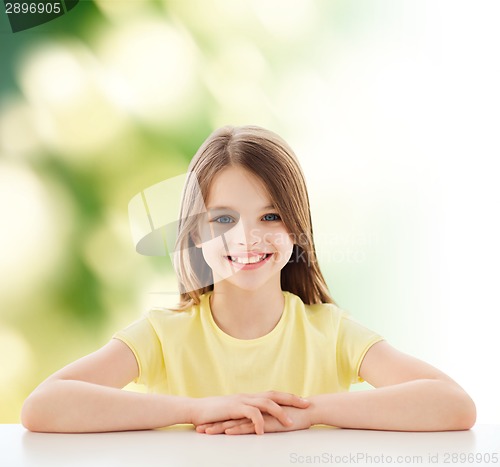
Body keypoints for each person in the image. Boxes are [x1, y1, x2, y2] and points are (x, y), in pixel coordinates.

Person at [21, 125, 476, 435]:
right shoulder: (163, 335)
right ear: (194, 231)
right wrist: (198, 409)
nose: (247, 237)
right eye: (223, 219)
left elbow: (454, 405)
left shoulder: (330, 331)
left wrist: (305, 413)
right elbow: (43, 407)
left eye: (271, 215)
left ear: (296, 228)